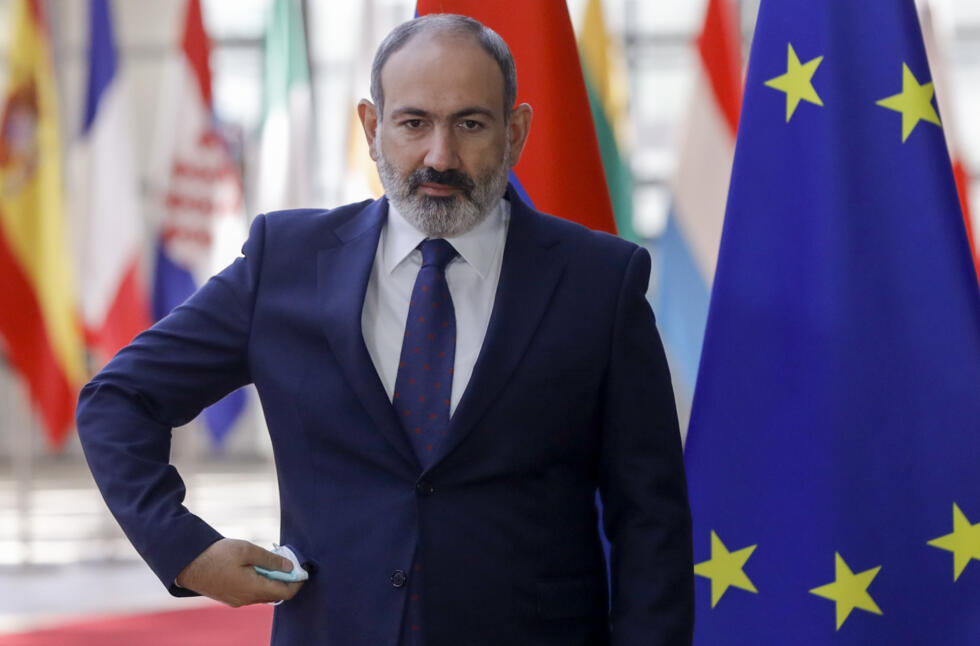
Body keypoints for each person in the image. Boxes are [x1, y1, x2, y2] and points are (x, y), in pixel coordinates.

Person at [77, 13, 693, 646]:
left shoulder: (601, 282)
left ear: (516, 133)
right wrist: (187, 552)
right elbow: (117, 401)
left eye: (471, 124)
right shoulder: (283, 262)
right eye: (414, 122)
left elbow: (652, 521)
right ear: (372, 128)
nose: (440, 155)